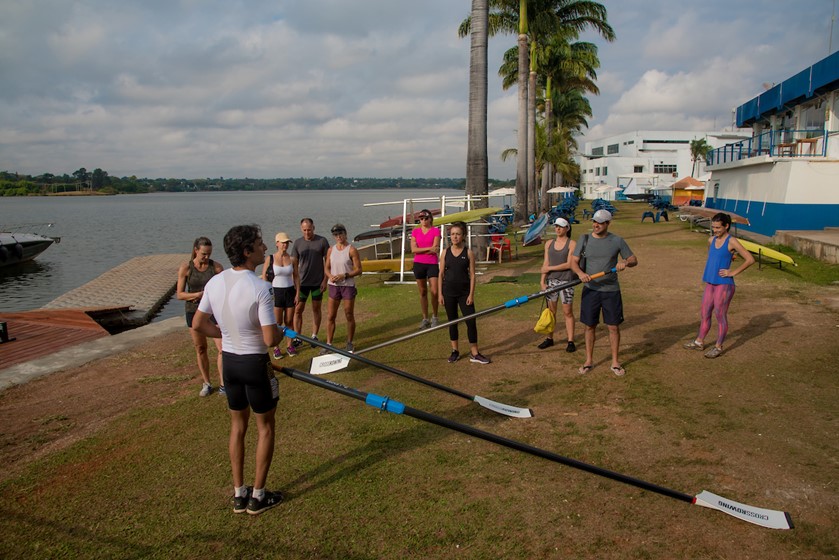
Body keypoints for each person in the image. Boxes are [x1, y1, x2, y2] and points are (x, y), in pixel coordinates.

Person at [193, 224, 284, 515]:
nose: (265, 248)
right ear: (247, 251)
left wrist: (225, 334)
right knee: (265, 428)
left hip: (230, 364)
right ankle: (258, 497)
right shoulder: (261, 288)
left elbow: (198, 324)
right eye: (259, 244)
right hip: (255, 364)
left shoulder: (215, 283)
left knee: (237, 426)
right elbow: (270, 339)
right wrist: (281, 331)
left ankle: (238, 494)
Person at [570, 210, 637, 376]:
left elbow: (634, 259)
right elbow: (574, 262)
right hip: (590, 290)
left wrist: (625, 262)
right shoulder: (584, 240)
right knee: (589, 326)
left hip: (611, 291)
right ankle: (588, 361)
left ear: (608, 223)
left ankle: (615, 362)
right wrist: (580, 273)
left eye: (600, 222)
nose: (596, 225)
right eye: (594, 221)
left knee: (613, 327)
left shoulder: (617, 241)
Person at [683, 212, 755, 358]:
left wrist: (732, 272)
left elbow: (750, 259)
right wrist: (730, 256)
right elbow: (714, 256)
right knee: (705, 314)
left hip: (724, 284)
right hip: (710, 282)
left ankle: (718, 346)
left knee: (720, 315)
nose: (715, 230)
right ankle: (699, 342)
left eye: (718, 227)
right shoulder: (711, 240)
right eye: (713, 227)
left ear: (726, 226)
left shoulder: (732, 241)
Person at [176, 236, 224, 397]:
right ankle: (207, 383)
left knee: (222, 348)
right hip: (193, 312)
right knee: (201, 348)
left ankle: (224, 384)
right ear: (196, 250)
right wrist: (197, 295)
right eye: (204, 254)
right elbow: (180, 294)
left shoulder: (216, 268)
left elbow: (224, 290)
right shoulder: (186, 268)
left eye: (209, 253)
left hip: (213, 312)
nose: (206, 257)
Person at [438, 221, 490, 364]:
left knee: (470, 322)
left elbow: (472, 275)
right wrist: (440, 294)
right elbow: (441, 273)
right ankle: (455, 351)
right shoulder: (445, 252)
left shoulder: (468, 253)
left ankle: (474, 353)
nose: (455, 237)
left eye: (458, 234)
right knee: (452, 322)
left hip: (464, 293)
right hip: (448, 293)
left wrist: (471, 295)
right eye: (452, 234)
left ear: (463, 236)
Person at [538, 217, 577, 353]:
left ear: (567, 228)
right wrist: (542, 281)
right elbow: (545, 263)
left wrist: (549, 269)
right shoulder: (549, 243)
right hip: (551, 282)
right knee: (551, 311)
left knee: (567, 312)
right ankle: (549, 338)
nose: (558, 229)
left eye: (561, 226)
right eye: (556, 226)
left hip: (567, 281)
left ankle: (570, 341)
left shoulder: (572, 244)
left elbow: (569, 264)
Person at [290, 218, 330, 349]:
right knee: (298, 310)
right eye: (304, 230)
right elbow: (294, 266)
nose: (307, 232)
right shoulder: (297, 243)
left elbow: (328, 262)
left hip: (318, 283)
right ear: (301, 229)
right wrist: (295, 283)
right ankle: (298, 337)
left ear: (314, 228)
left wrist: (325, 280)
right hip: (302, 283)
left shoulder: (322, 241)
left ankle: (314, 336)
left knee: (316, 309)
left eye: (309, 229)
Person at [323, 224, 363, 353]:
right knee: (331, 316)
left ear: (345, 234)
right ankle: (328, 344)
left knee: (348, 314)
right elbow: (327, 267)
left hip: (347, 286)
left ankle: (350, 342)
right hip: (334, 286)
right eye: (336, 235)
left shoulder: (351, 250)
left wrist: (345, 275)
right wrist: (330, 276)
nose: (338, 236)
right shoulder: (331, 250)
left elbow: (359, 269)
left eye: (340, 234)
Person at [262, 232, 299, 359]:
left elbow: (296, 277)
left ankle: (290, 345)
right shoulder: (270, 259)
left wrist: (297, 293)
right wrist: (268, 293)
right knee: (277, 321)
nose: (285, 245)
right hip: (276, 292)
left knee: (289, 321)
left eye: (287, 243)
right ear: (277, 243)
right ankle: (276, 347)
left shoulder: (292, 259)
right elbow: (264, 276)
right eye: (283, 242)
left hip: (289, 291)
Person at [411, 209, 441, 329]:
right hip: (419, 264)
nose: (423, 220)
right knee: (423, 292)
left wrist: (422, 249)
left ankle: (435, 316)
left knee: (434, 291)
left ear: (430, 219)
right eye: (421, 219)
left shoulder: (435, 231)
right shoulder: (415, 232)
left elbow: (436, 248)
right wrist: (429, 249)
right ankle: (425, 318)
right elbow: (413, 250)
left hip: (432, 264)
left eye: (425, 218)